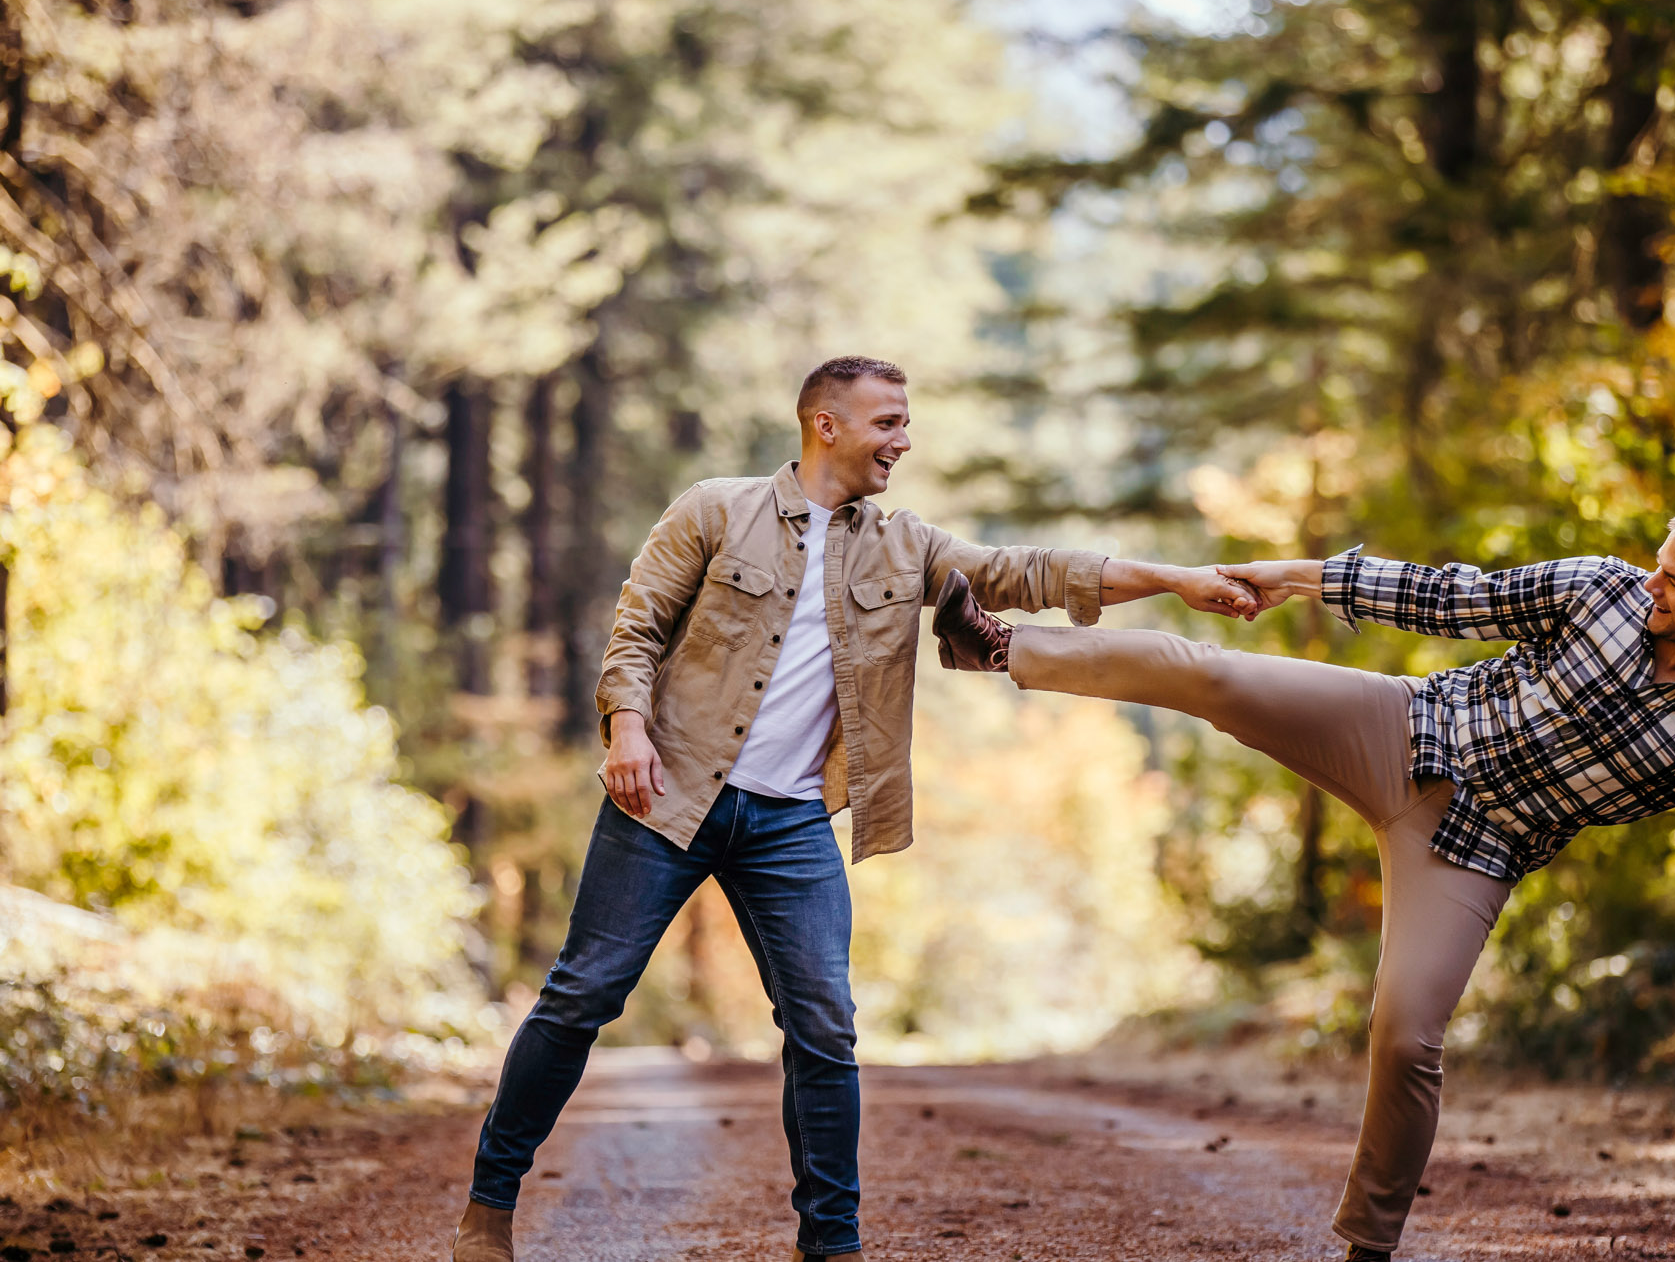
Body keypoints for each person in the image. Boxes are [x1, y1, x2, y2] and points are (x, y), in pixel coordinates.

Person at [450, 356, 1258, 1262]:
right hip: (669, 794)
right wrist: (627, 729)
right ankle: (489, 1205)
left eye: (906, 424)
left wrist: (1178, 578)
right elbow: (634, 630)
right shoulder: (715, 508)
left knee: (825, 1024)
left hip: (791, 820)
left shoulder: (904, 544)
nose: (902, 441)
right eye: (887, 423)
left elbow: (1027, 571)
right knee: (582, 995)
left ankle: (830, 1243)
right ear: (824, 425)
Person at [929, 504, 1675, 1262]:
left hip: (1473, 851)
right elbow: (1441, 594)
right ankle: (1001, 646)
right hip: (1404, 728)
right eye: (1655, 565)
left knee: (1408, 1035)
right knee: (1213, 674)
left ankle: (1368, 1246)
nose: (1650, 584)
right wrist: (1287, 575)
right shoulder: (1599, 589)